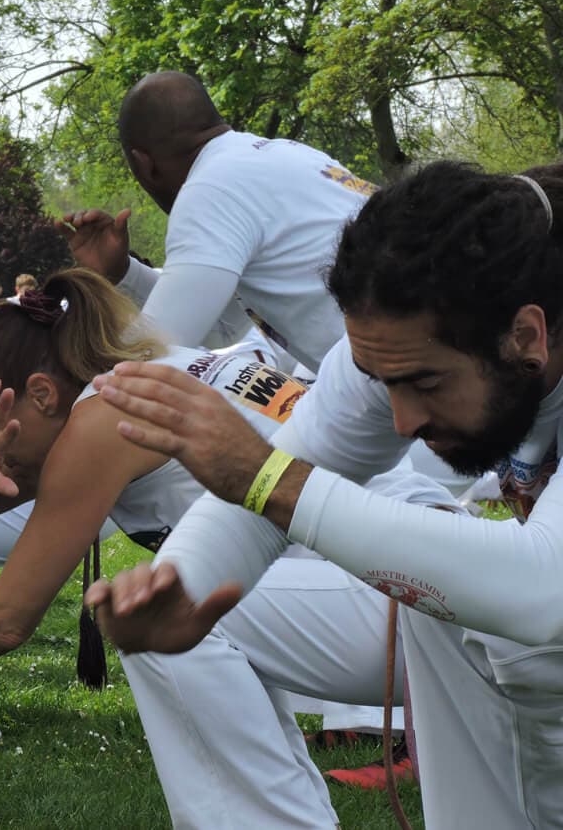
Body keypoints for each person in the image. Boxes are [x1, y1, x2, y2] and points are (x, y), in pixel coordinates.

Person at [89, 161, 563, 828]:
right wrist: (182, 585)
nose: (401, 422)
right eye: (380, 381)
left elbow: (547, 591)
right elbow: (267, 494)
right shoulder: (405, 347)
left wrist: (273, 482)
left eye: (424, 385)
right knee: (432, 588)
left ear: (528, 336)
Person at [59, 71, 376, 372]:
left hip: (398, 377)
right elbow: (223, 329)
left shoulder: (207, 190)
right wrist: (123, 272)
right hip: (407, 365)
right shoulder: (291, 155)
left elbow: (153, 348)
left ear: (144, 164)